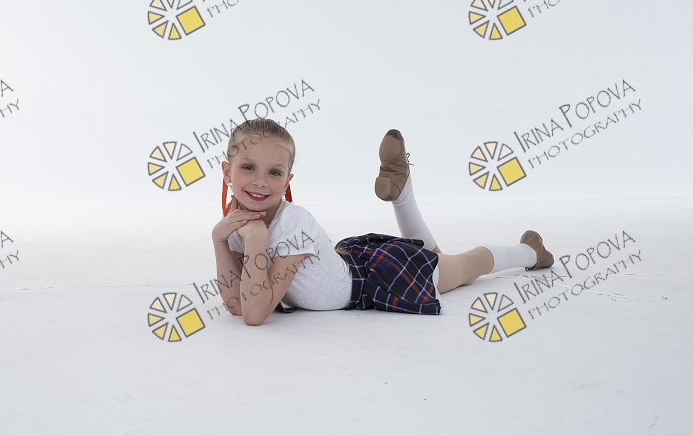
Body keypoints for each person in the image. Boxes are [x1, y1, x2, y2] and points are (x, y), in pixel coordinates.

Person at [211, 118, 554, 326]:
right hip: (353, 265)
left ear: (288, 180)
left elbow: (255, 315)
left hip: (377, 278)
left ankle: (530, 252)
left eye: (274, 172)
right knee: (437, 257)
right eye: (248, 168)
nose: (260, 182)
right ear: (227, 171)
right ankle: (403, 194)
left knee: (464, 267)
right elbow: (238, 305)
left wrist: (255, 241)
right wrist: (220, 240)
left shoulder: (293, 223)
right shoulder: (240, 224)